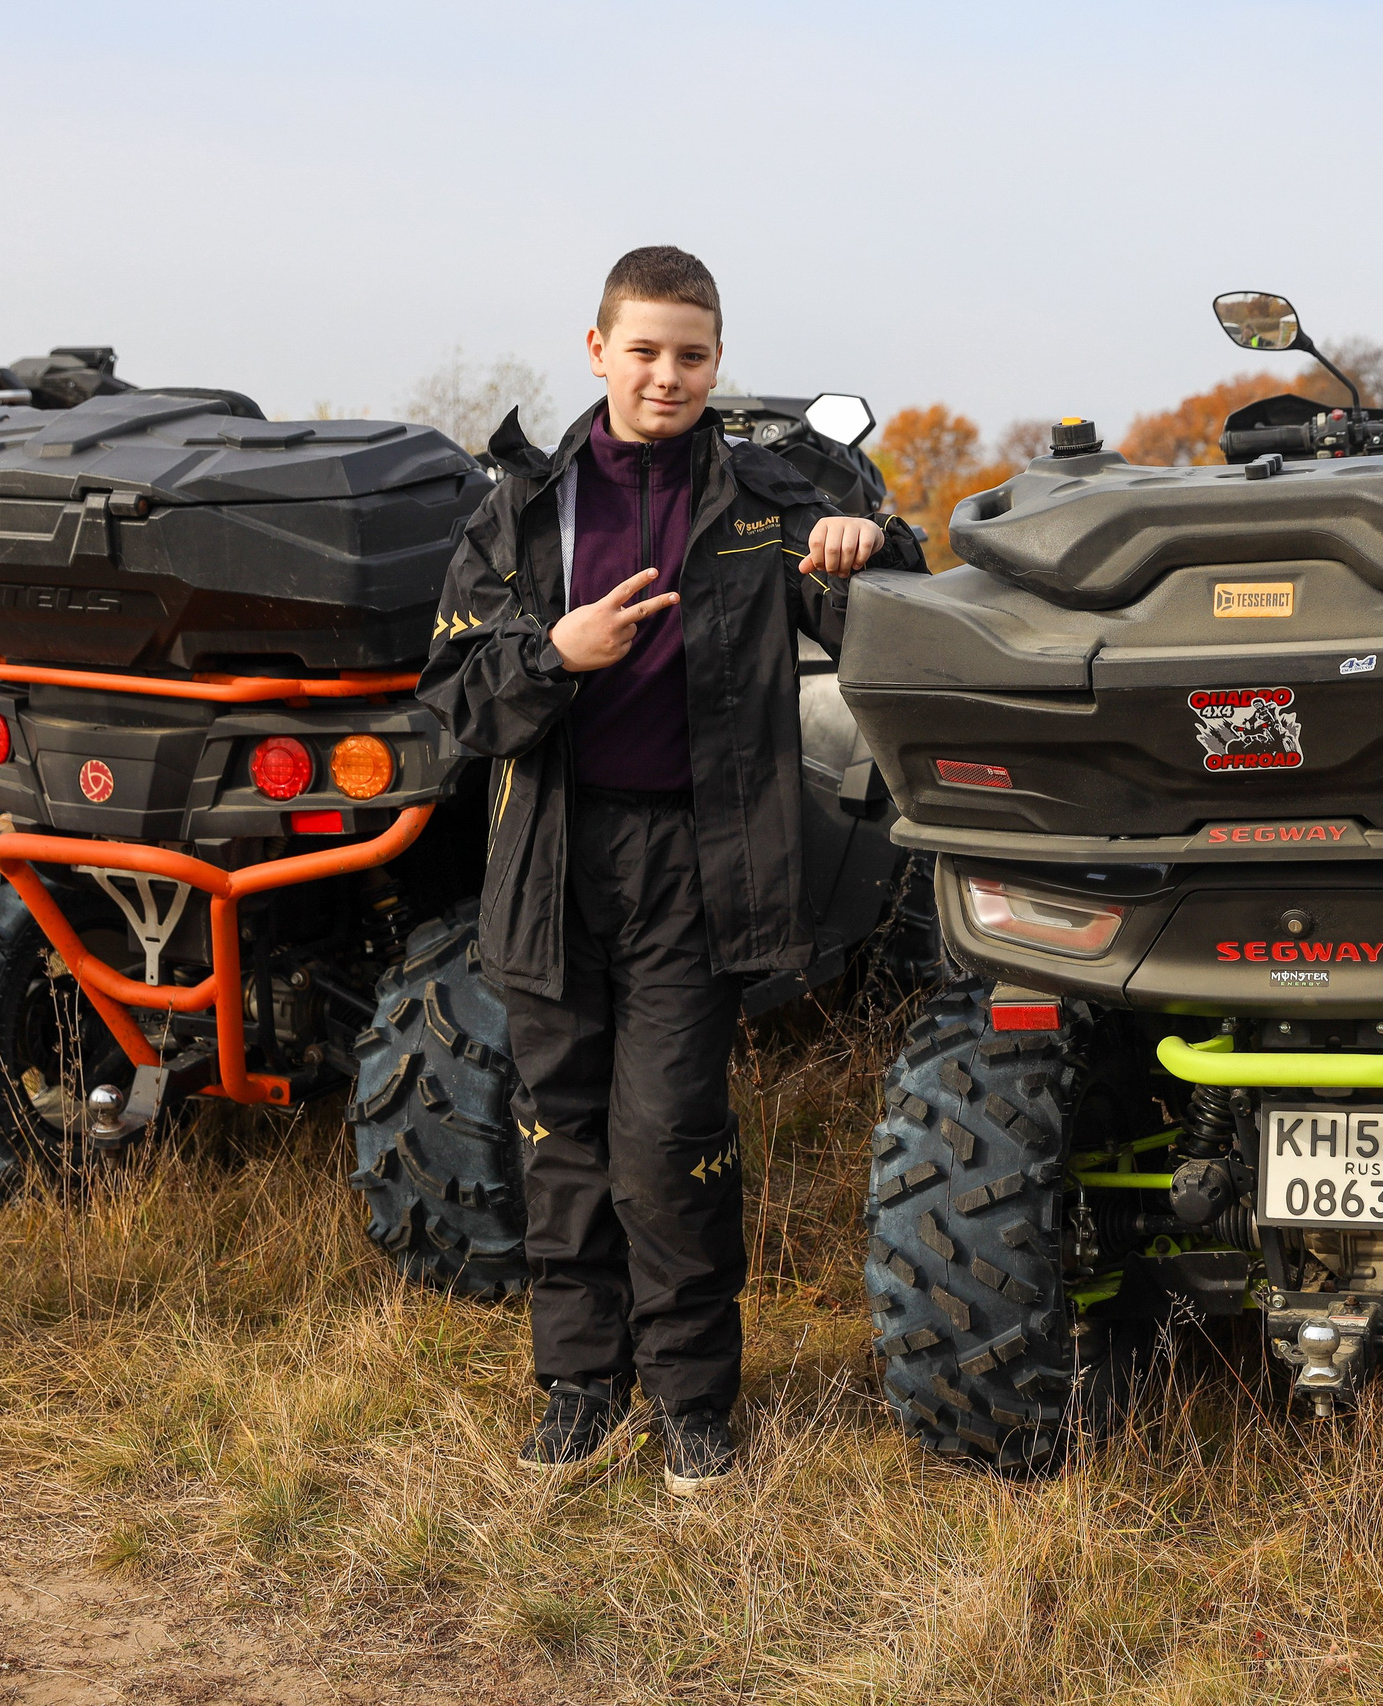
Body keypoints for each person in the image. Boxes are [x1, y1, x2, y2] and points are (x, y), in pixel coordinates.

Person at [418, 246, 920, 1494]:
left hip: (696, 867)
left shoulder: (762, 499)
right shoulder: (525, 509)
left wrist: (877, 539)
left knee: (671, 1141)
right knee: (561, 1140)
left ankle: (697, 1405)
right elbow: (456, 705)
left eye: (691, 353)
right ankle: (580, 1396)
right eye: (643, 350)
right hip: (550, 859)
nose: (667, 374)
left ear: (713, 361)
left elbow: (885, 621)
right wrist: (559, 651)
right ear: (598, 351)